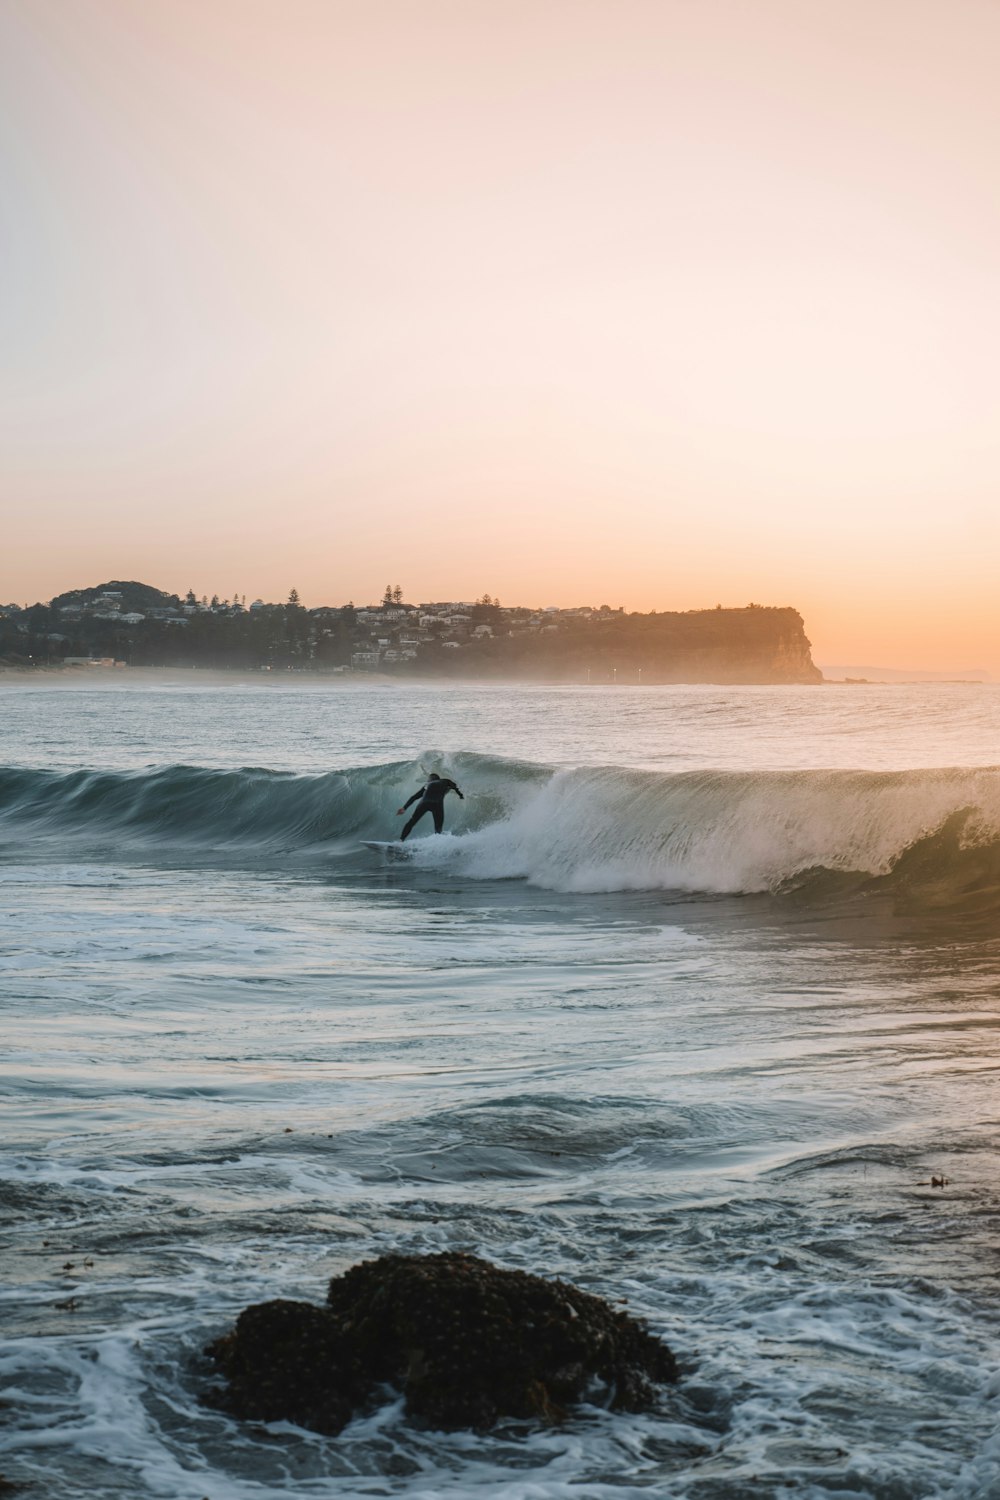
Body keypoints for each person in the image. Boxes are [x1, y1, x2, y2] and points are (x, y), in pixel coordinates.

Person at [397, 772, 464, 840]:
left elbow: (414, 797)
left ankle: (401, 840)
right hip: (437, 804)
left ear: (430, 780)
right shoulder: (445, 781)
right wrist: (460, 795)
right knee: (438, 828)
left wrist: (404, 808)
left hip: (424, 803)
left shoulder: (427, 785)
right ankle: (436, 845)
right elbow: (455, 787)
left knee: (411, 822)